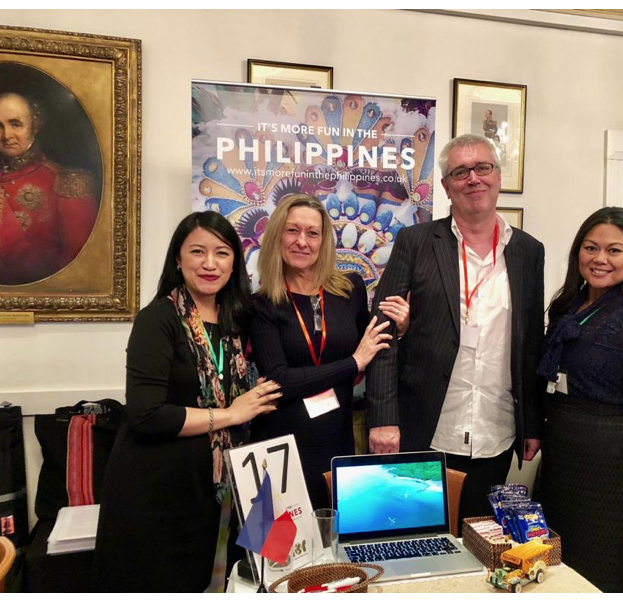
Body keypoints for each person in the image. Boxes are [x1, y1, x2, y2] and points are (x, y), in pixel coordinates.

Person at [366, 134, 546, 533]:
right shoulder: (415, 242)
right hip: (426, 427)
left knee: (480, 542)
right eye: (460, 172)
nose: (473, 178)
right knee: (415, 539)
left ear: (498, 177)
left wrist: (532, 423)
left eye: (483, 168)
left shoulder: (528, 251)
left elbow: (532, 340)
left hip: (495, 432)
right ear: (447, 187)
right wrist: (383, 419)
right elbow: (383, 333)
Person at [94, 211, 282, 592]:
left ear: (235, 262)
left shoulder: (236, 321)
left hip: (209, 496)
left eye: (222, 253)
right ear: (178, 259)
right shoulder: (158, 319)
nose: (210, 263)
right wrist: (230, 414)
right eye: (198, 251)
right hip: (155, 496)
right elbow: (146, 414)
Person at [536, 207, 623, 592]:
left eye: (614, 250)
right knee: (555, 572)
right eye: (590, 248)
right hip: (561, 458)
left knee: (599, 573)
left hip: (608, 464)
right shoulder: (569, 305)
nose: (600, 259)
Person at [248, 194, 393, 510]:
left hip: (336, 440)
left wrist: (402, 327)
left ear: (324, 241)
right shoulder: (261, 304)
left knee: (335, 534)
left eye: (312, 233)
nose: (302, 241)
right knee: (276, 539)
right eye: (292, 230)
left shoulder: (350, 288)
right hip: (280, 446)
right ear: (277, 236)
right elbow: (280, 381)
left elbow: (375, 346)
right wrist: (352, 363)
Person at [0, 92, 99, 285]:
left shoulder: (65, 181)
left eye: (15, 124)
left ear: (33, 127)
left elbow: (76, 264)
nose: (6, 135)